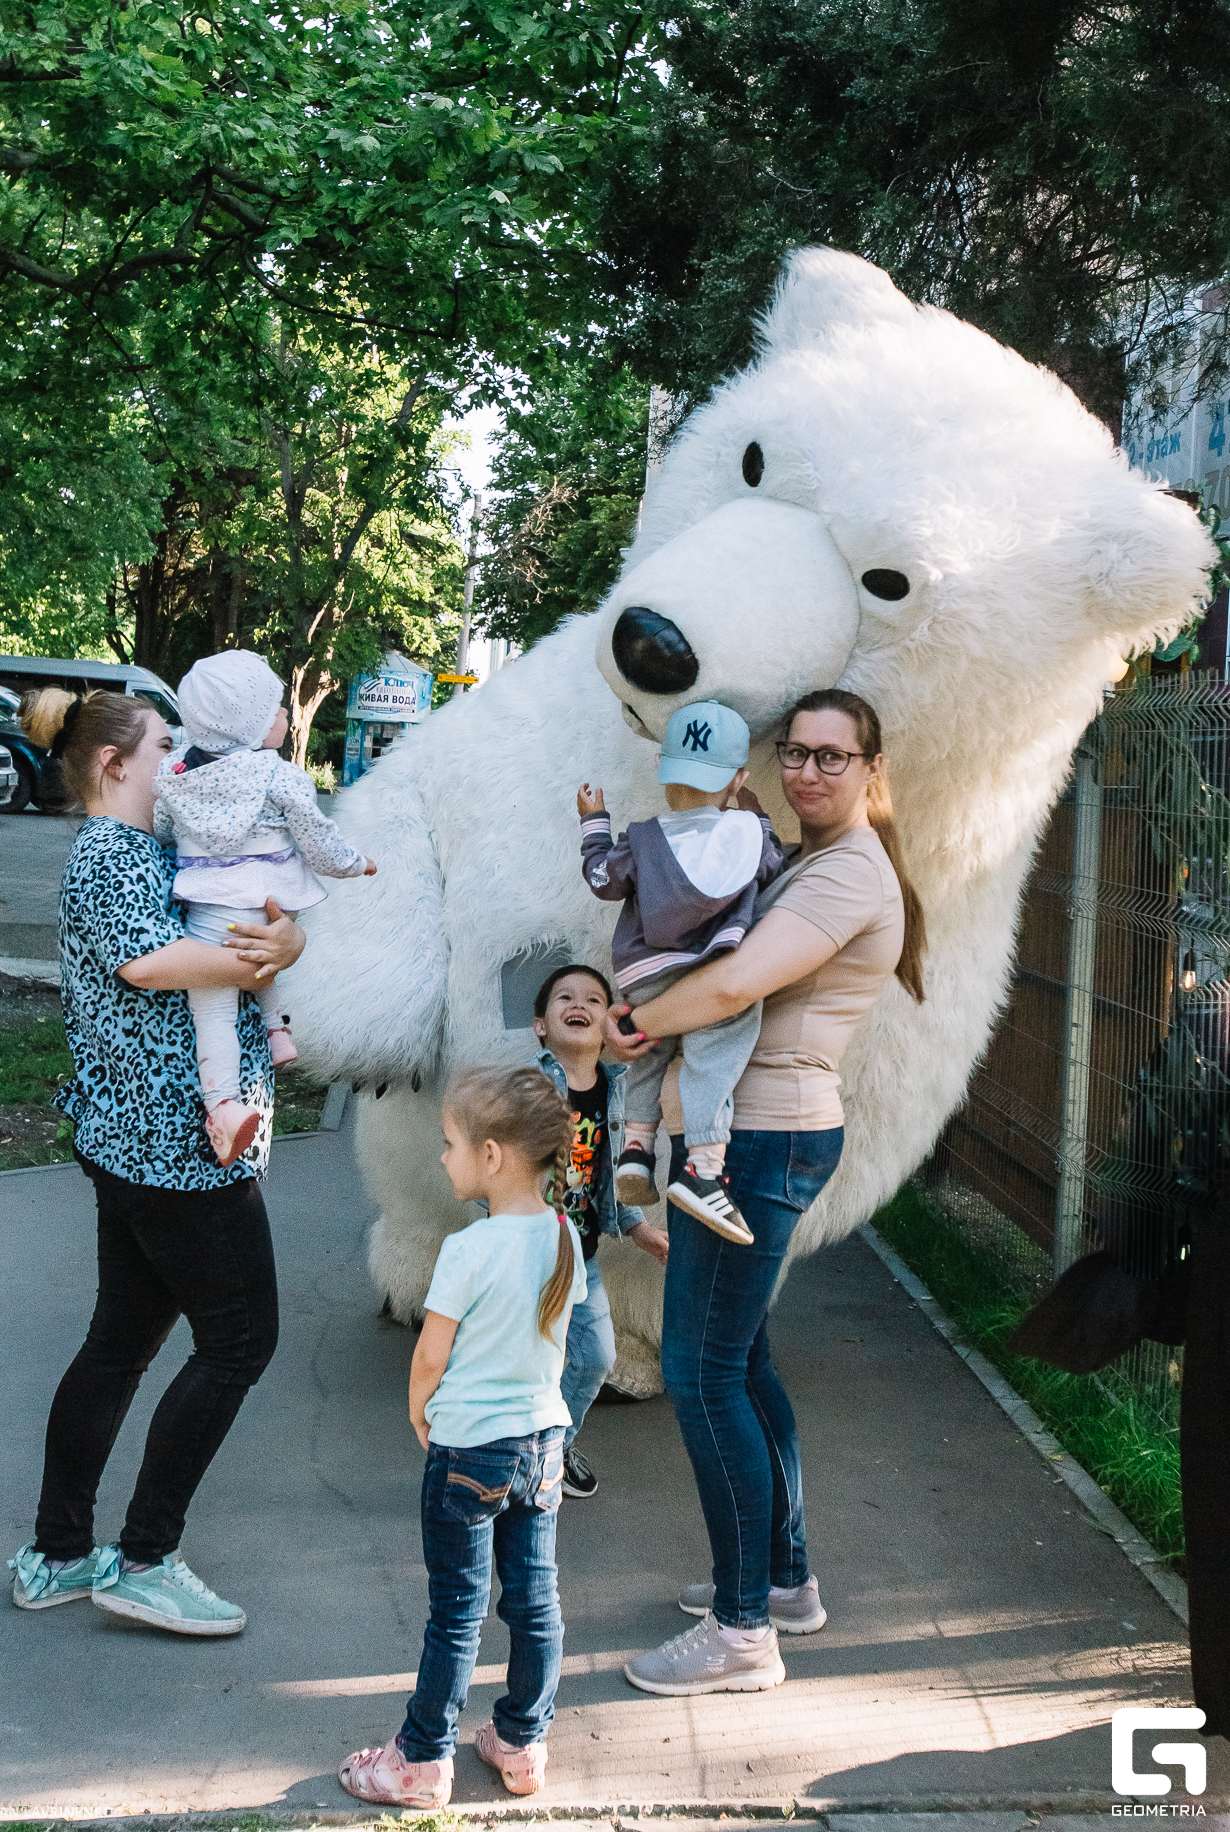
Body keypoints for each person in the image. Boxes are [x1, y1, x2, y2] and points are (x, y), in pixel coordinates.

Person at [603, 688, 926, 1698]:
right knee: (740, 1362)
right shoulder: (806, 860)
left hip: (761, 1138)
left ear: (871, 770)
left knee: (701, 1375)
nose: (808, 772)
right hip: (760, 1133)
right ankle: (780, 1581)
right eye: (795, 752)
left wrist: (632, 1023)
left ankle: (741, 1632)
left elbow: (738, 981)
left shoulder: (847, 871)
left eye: (833, 757)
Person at [6, 691, 306, 1636]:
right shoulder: (110, 853)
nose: (178, 759)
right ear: (114, 765)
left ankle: (59, 1554)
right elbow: (150, 962)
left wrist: (282, 937)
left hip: (142, 1145)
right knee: (239, 1342)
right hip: (174, 1153)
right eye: (164, 745)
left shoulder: (144, 849)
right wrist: (273, 956)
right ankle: (145, 1559)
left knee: (119, 1344)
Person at [339, 1066, 586, 1808]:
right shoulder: (564, 1237)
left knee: (456, 1610)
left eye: (450, 1144)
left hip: (471, 1448)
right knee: (535, 1602)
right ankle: (522, 1741)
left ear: (492, 1155)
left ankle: (421, 1759)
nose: (443, 1157)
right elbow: (560, 1344)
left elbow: (431, 1353)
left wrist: (421, 1412)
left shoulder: (469, 1249)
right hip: (542, 1446)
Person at [152, 650, 375, 1165]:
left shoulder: (177, 773)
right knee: (262, 955)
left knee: (213, 1013)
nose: (284, 715)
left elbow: (162, 828)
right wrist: (356, 864)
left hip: (208, 911)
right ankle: (273, 1036)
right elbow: (319, 841)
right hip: (269, 900)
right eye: (273, 709)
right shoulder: (279, 777)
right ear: (244, 723)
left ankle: (222, 1103)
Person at [579, 699, 787, 1246]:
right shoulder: (748, 833)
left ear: (661, 768)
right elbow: (774, 869)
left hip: (644, 972)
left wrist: (594, 823)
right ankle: (703, 1168)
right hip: (710, 971)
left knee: (647, 1051)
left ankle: (636, 1149)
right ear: (738, 779)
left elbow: (601, 878)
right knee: (712, 1060)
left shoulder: (642, 838)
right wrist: (762, 819)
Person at [530, 963, 669, 1498]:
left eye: (593, 999)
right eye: (563, 997)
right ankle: (508, 1460)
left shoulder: (615, 1091)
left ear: (608, 1025)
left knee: (596, 1358)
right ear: (541, 1025)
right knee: (525, 1361)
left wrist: (638, 1228)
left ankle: (554, 1446)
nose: (579, 1005)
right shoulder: (527, 1086)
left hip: (581, 1257)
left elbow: (605, 1176)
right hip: (528, 1254)